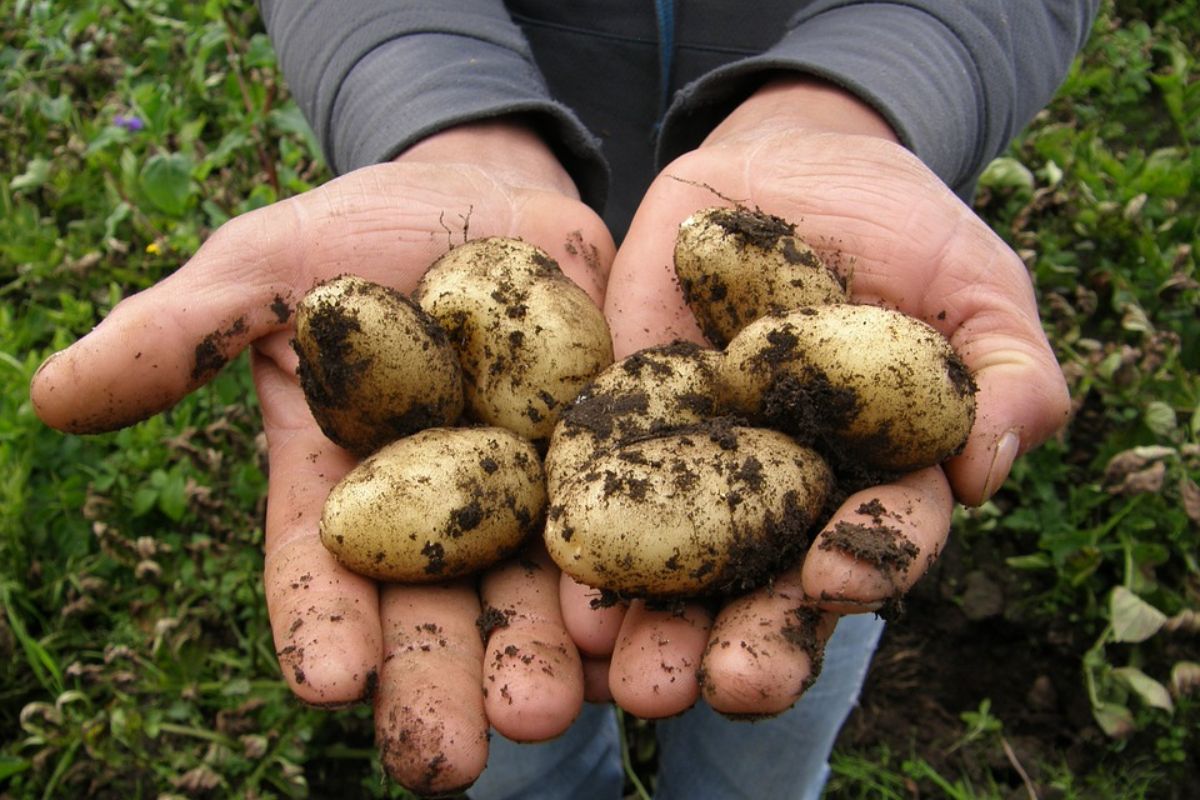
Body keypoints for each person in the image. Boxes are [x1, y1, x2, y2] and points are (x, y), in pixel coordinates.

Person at [31, 1, 1099, 797]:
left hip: (836, 302)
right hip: (508, 205)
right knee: (513, 730)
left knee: (781, 682)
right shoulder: (535, 410)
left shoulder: (764, 369)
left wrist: (864, 96)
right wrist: (442, 115)